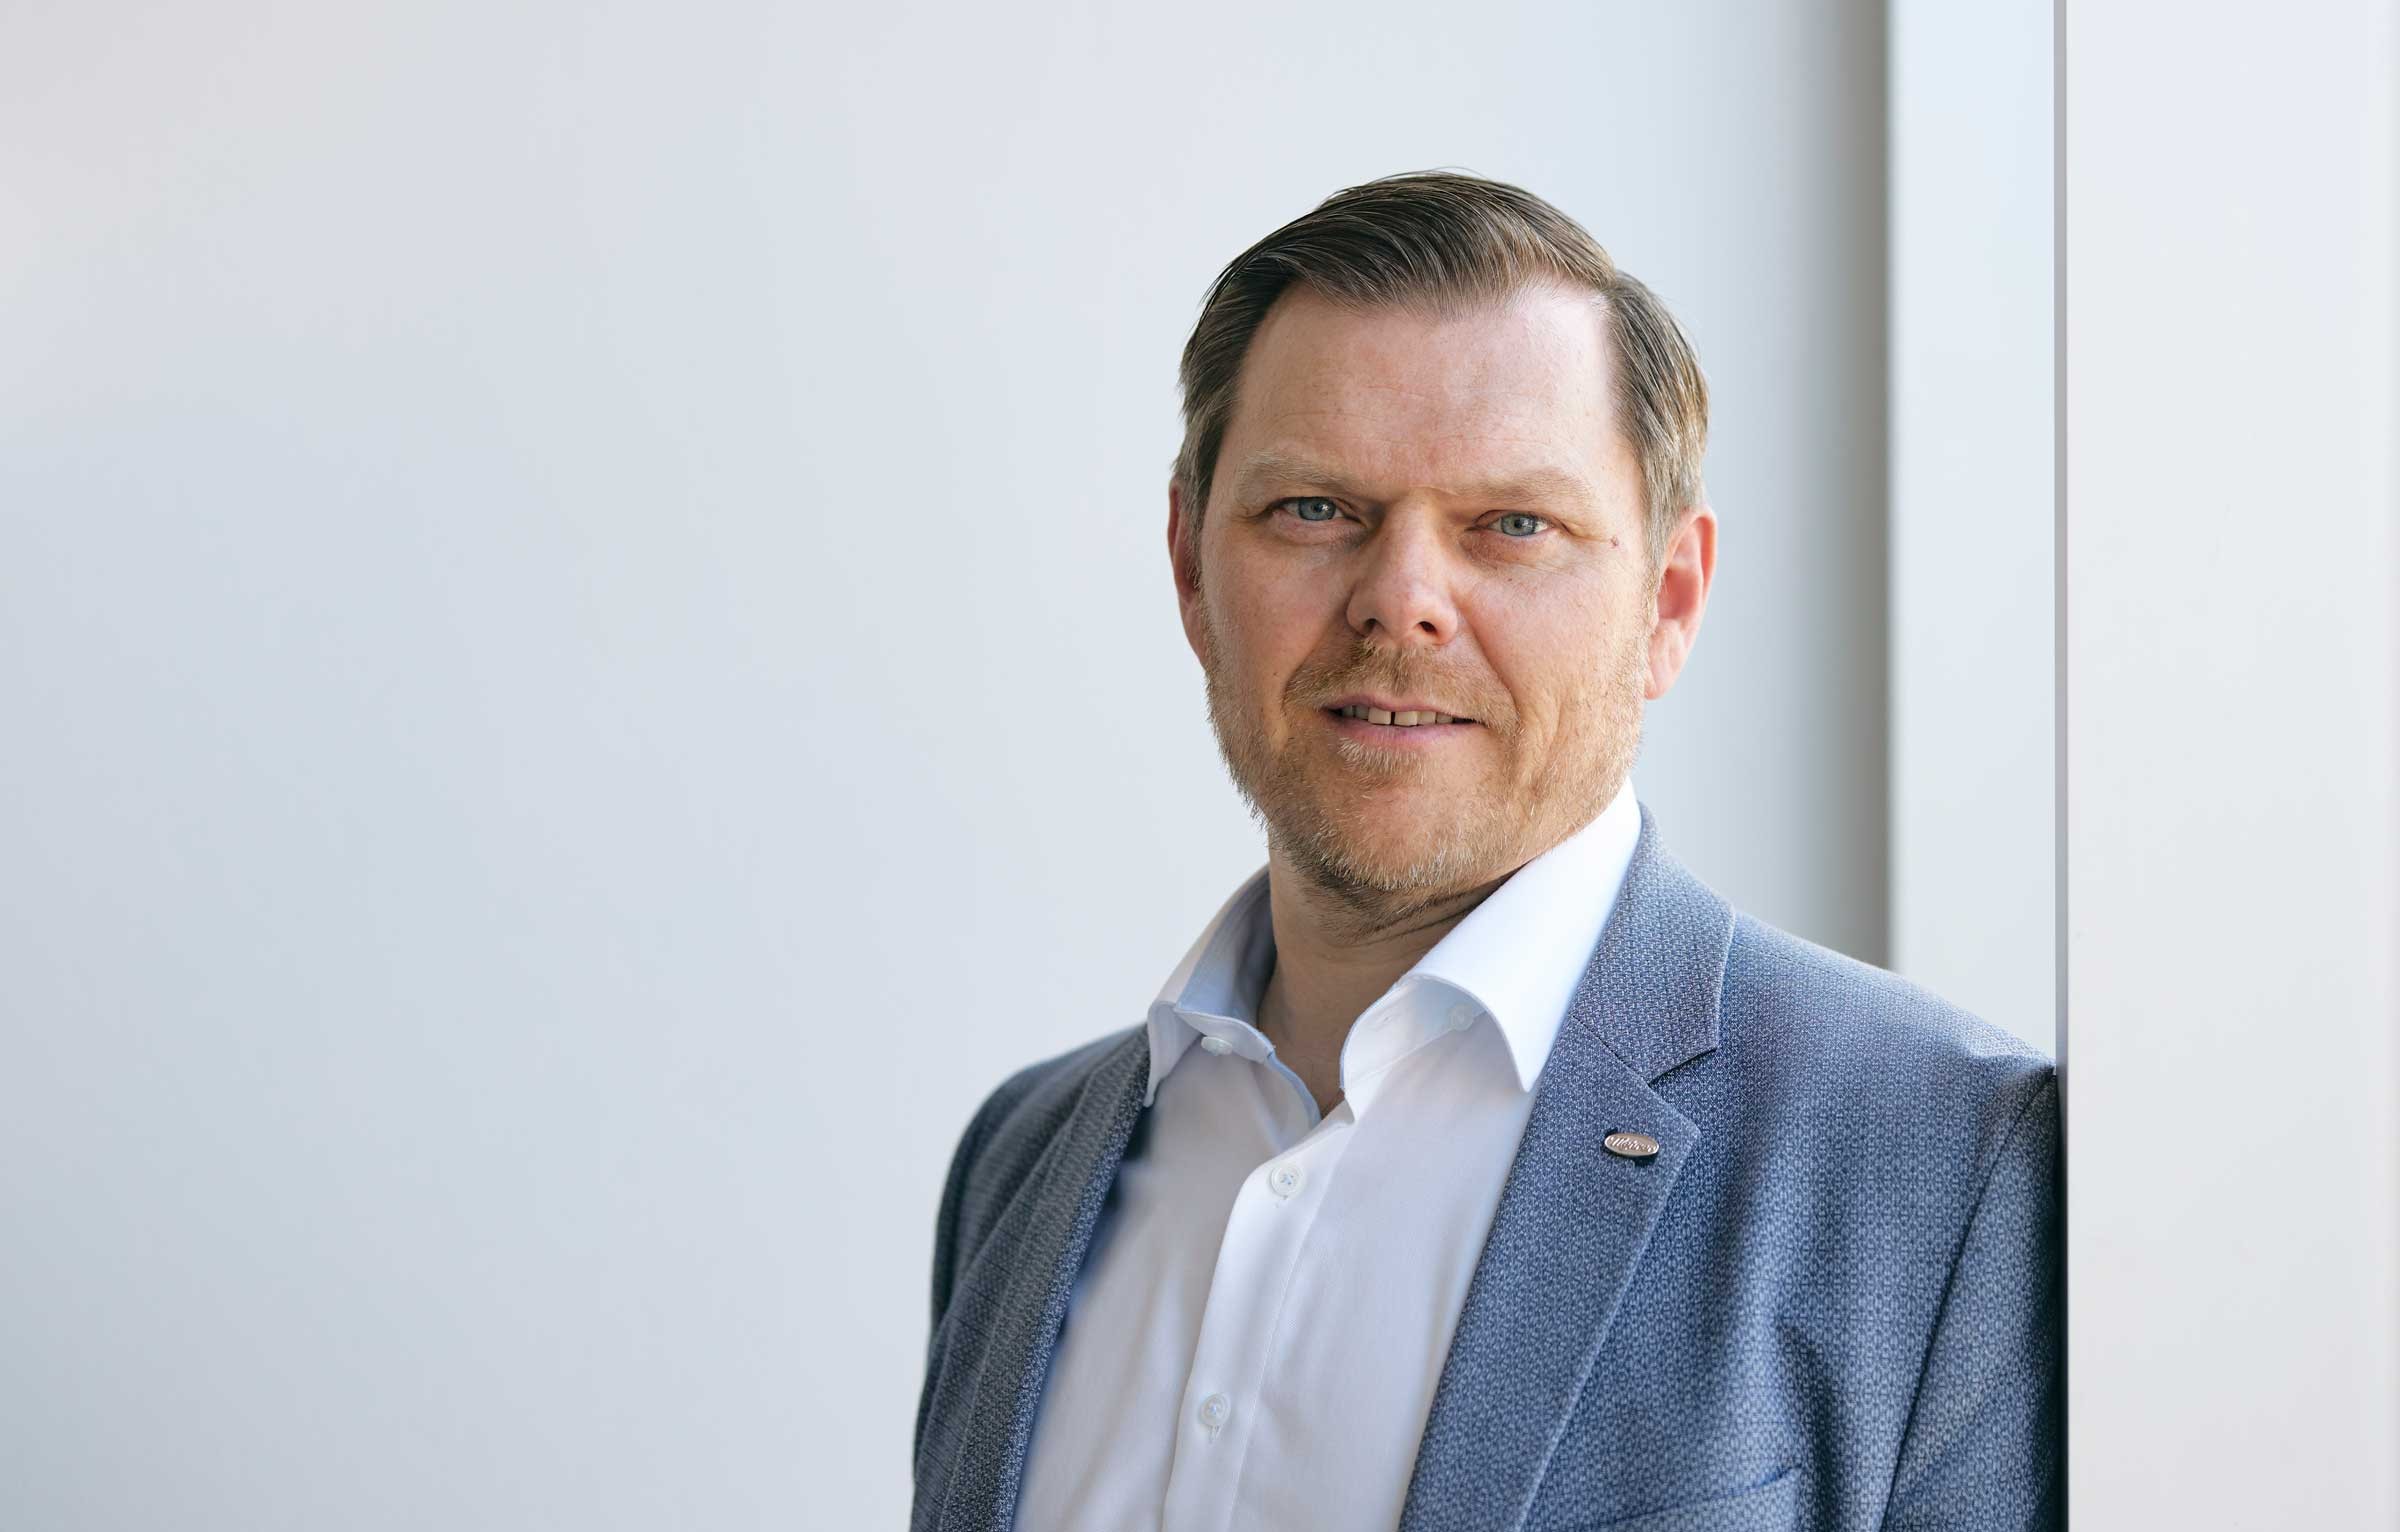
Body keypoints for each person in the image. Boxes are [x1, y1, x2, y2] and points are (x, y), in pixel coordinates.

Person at [910, 171, 2060, 1532]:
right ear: (1190, 568)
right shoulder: (1023, 1160)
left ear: (1669, 602)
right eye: (1314, 509)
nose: (1401, 601)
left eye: (1514, 525)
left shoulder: (1949, 1165)